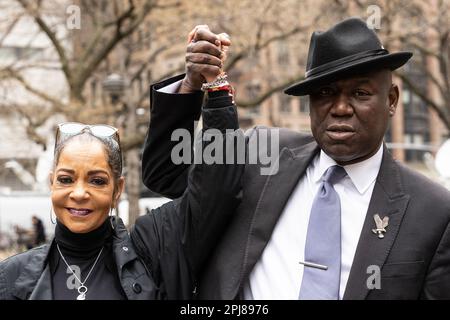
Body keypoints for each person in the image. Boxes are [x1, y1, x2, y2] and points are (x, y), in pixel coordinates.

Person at [141, 18, 450, 299]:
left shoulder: (435, 212)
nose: (340, 108)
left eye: (360, 94)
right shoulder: (260, 155)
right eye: (326, 92)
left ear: (392, 100)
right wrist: (192, 85)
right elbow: (167, 175)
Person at [0, 75, 243, 299]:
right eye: (66, 179)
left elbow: (215, 193)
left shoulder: (152, 250)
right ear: (51, 182)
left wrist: (214, 88)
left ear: (118, 190)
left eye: (97, 181)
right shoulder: (12, 277)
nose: (79, 193)